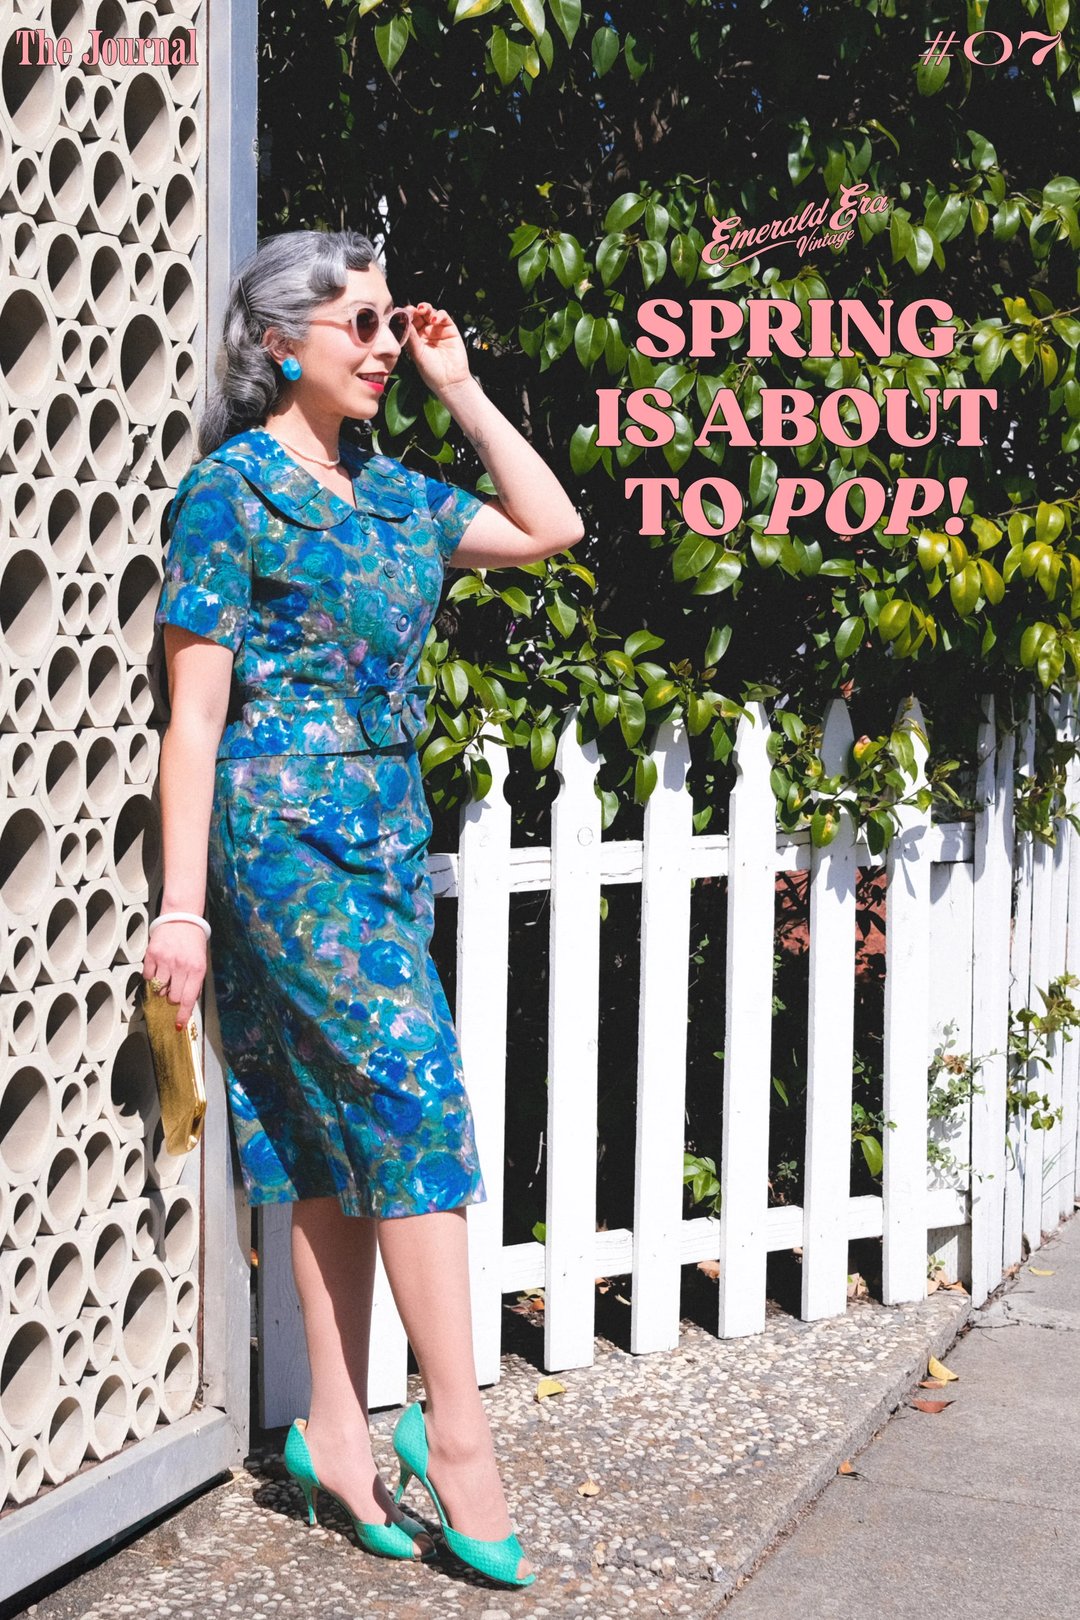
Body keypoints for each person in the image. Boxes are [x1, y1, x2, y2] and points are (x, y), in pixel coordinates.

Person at [144, 228, 584, 1587]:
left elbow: (552, 527)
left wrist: (459, 389)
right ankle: (457, 1438)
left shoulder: (398, 499)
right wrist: (181, 910)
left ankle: (336, 1433)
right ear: (283, 343)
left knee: (324, 1132)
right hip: (278, 844)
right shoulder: (229, 494)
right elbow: (194, 717)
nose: (386, 343)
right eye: (362, 325)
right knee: (412, 1102)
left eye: (393, 322)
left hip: (386, 839)